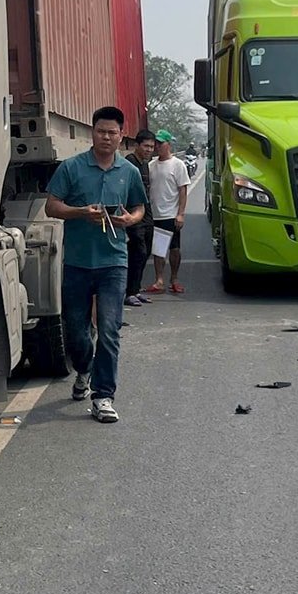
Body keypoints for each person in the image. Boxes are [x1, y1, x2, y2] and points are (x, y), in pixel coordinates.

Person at [44, 106, 146, 423]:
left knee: (110, 330)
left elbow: (139, 207)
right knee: (76, 333)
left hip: (113, 262)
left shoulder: (128, 172)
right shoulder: (72, 168)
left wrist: (130, 219)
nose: (106, 137)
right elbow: (51, 207)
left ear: (120, 136)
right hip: (77, 262)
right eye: (101, 131)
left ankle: (103, 397)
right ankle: (84, 369)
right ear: (93, 133)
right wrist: (80, 213)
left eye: (112, 132)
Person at [145, 130, 191, 295]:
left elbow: (182, 190)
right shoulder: (151, 165)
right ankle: (159, 280)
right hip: (155, 214)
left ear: (168, 144)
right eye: (155, 144)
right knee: (158, 250)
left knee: (174, 249)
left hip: (171, 214)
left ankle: (174, 279)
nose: (157, 147)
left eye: (160, 143)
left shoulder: (178, 164)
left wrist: (181, 213)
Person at [125, 130, 157, 306]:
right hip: (133, 212)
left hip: (146, 211)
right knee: (138, 252)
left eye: (151, 147)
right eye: (146, 146)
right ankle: (128, 292)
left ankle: (136, 290)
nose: (149, 150)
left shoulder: (145, 164)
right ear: (137, 145)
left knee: (147, 250)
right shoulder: (129, 163)